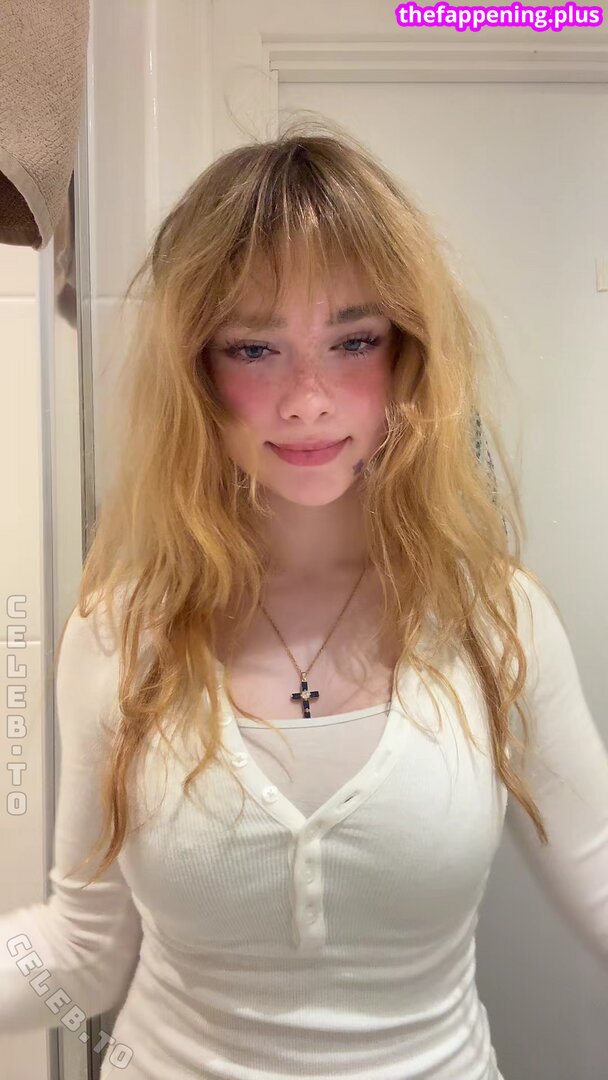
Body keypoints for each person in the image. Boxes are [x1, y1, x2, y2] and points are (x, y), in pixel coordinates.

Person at [1, 122, 607, 1080]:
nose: (309, 400)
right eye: (255, 348)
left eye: (353, 341)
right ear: (197, 371)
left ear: (406, 356)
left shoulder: (497, 619)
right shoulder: (121, 630)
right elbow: (81, 952)